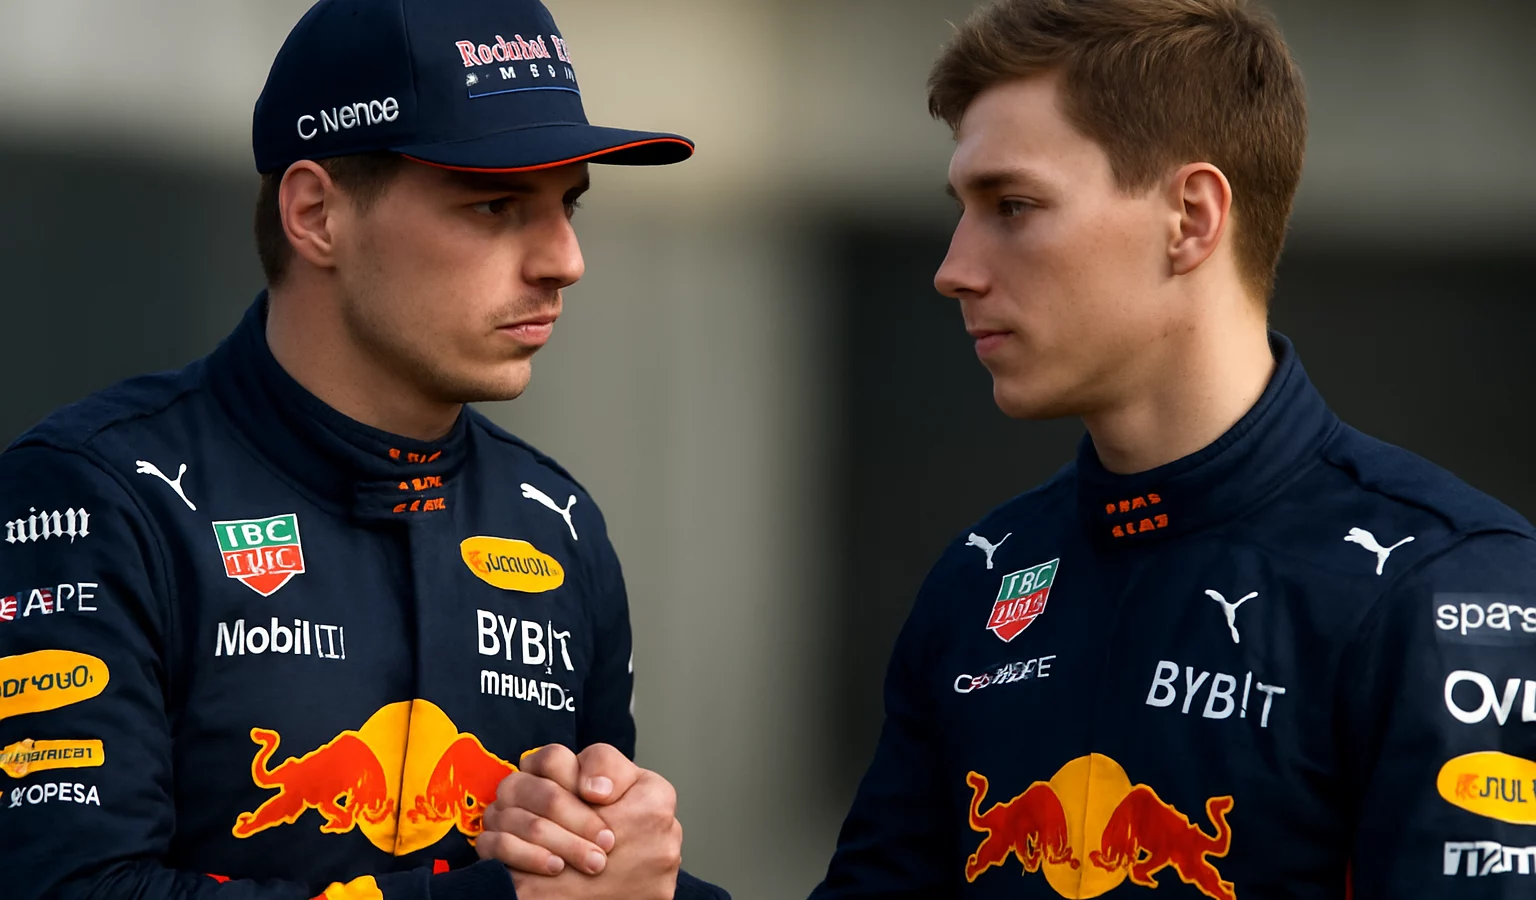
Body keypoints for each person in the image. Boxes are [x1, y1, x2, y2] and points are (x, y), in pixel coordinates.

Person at [485, 0, 1536, 897]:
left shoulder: (1450, 591)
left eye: (1014, 206)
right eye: (963, 210)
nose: (954, 268)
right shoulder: (984, 580)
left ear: (1191, 218)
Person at [0, 0, 729, 898]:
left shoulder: (557, 523)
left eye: (568, 205)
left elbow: (590, 884)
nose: (565, 261)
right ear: (315, 215)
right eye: (496, 205)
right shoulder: (96, 497)